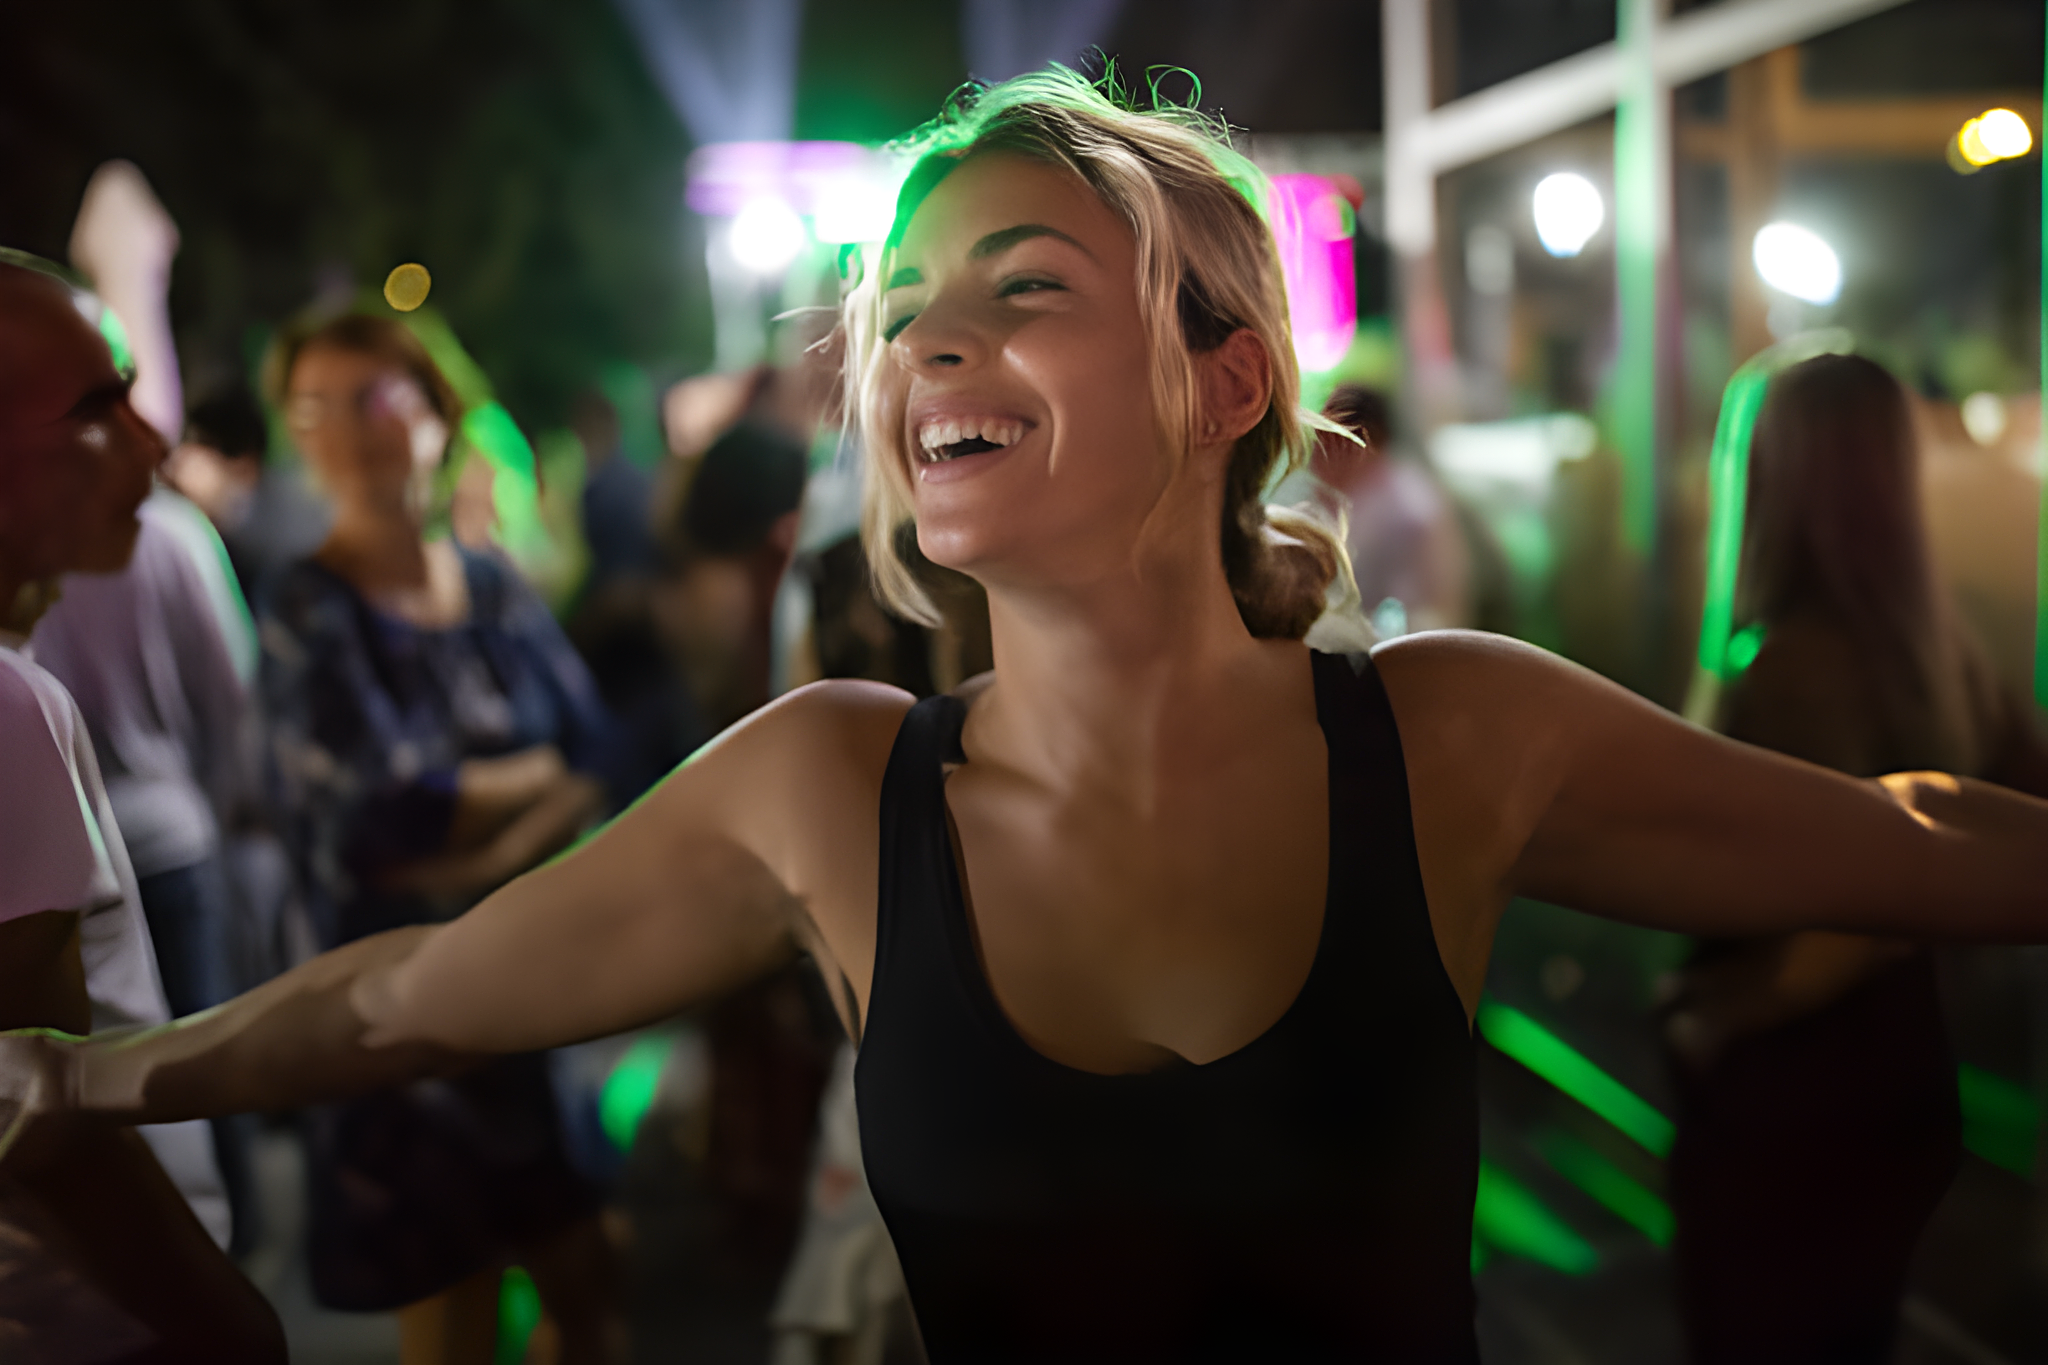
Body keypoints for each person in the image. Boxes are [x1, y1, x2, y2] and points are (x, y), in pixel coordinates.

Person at [7, 68, 2048, 1364]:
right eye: (903, 306)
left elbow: (1923, 836)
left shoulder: (1442, 738)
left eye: (1021, 286)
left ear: (1222, 377)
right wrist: (79, 1085)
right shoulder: (827, 783)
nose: (928, 343)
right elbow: (413, 994)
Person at [1663, 353, 2048, 1364]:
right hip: (1902, 1068)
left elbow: (1853, 908)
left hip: (1793, 1098)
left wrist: (1712, 1020)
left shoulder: (1782, 665)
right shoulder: (1940, 649)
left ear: (1766, 473)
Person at [256, 312, 624, 1362]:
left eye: (376, 398)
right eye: (314, 409)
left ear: (435, 412)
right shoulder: (308, 608)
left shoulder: (495, 586)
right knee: (451, 1314)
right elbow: (371, 812)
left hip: (538, 994)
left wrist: (487, 851)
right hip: (405, 1013)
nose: (350, 433)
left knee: (589, 1279)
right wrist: (533, 778)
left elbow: (596, 751)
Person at [0, 252, 283, 1361]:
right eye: (97, 409)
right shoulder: (12, 704)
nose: (155, 445)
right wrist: (233, 1329)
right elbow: (42, 1117)